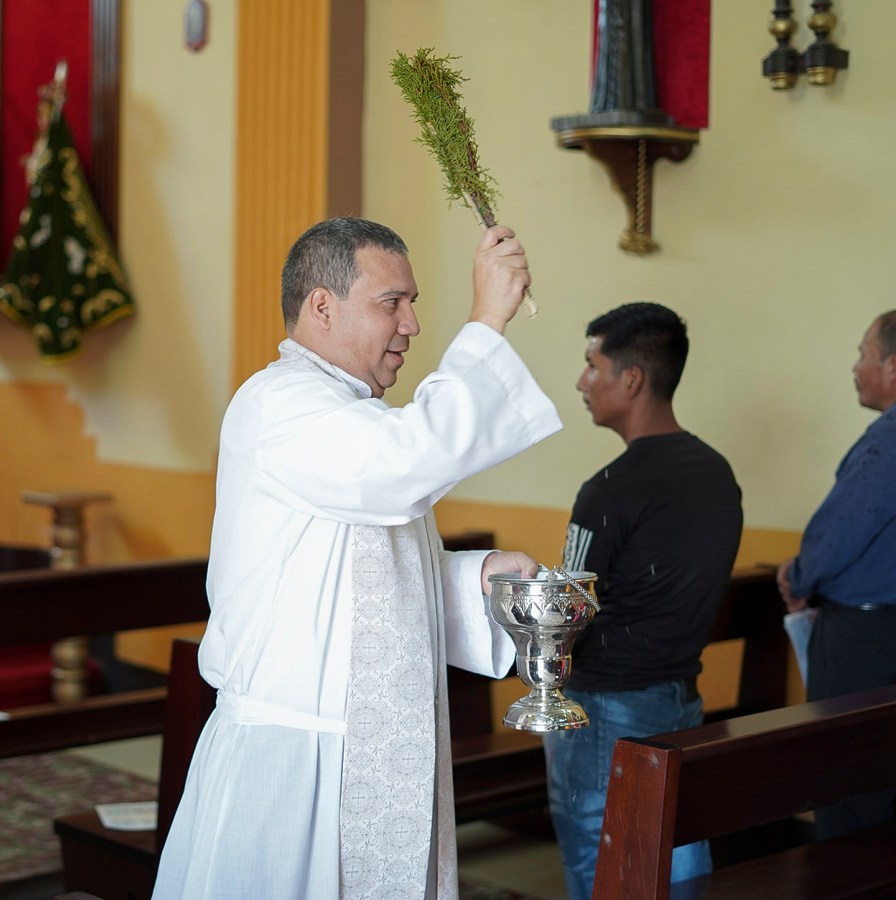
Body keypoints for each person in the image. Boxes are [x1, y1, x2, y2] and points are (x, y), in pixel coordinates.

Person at [153, 217, 562, 899]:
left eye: (413, 304)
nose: (411, 325)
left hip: (373, 747)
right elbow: (403, 467)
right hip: (291, 764)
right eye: (391, 303)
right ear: (322, 306)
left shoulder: (356, 418)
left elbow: (360, 577)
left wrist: (472, 577)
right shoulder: (279, 403)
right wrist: (487, 320)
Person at [547, 302, 742, 899]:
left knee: (598, 857)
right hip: (679, 694)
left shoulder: (610, 489)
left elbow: (565, 612)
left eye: (592, 365)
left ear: (631, 379)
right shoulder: (716, 473)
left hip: (605, 704)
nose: (583, 381)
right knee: (677, 852)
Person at [776, 310, 896, 841]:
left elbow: (843, 530)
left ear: (894, 367)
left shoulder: (887, 442)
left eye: (863, 354)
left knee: (849, 787)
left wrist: (798, 577)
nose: (855, 367)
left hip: (866, 639)